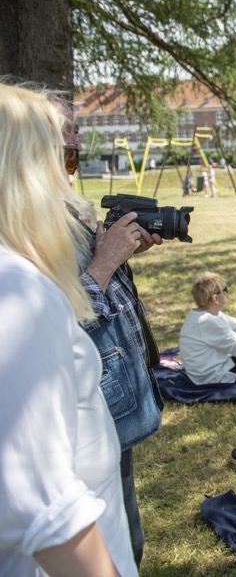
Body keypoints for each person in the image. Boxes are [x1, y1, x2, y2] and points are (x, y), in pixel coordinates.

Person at [0, 83, 138, 577]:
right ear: (26, 169)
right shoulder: (15, 291)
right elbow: (44, 512)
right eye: (62, 156)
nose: (68, 178)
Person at [74, 120, 165, 567]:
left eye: (74, 153)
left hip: (105, 398)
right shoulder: (16, 233)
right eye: (65, 153)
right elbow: (59, 317)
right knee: (106, 537)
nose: (70, 164)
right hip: (78, 410)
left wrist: (117, 254)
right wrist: (106, 260)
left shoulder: (63, 212)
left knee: (125, 527)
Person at [179, 271, 236, 384]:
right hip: (217, 378)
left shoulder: (203, 314)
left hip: (206, 373)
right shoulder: (208, 322)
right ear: (215, 298)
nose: (226, 293)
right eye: (225, 290)